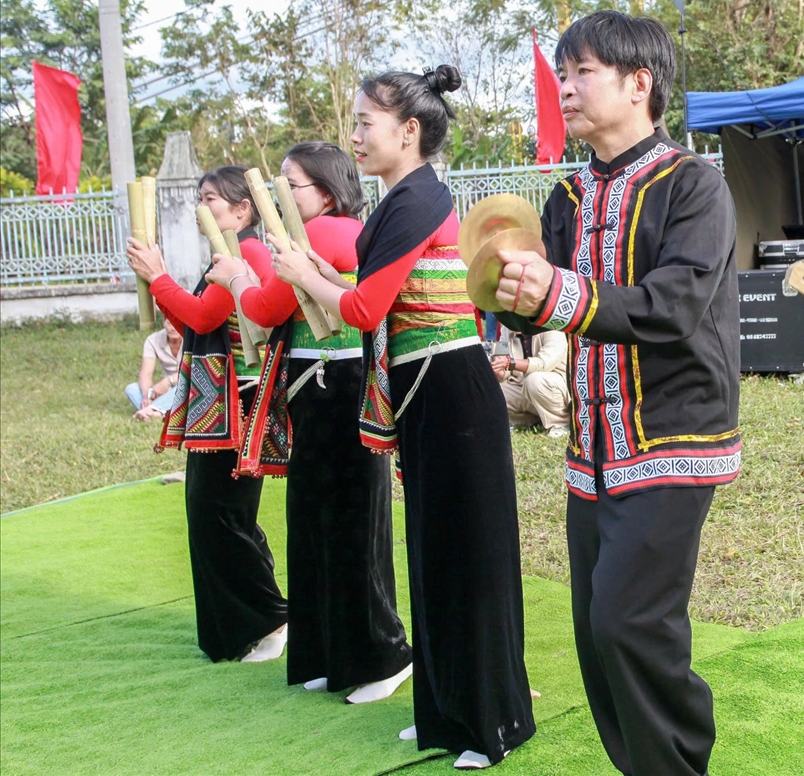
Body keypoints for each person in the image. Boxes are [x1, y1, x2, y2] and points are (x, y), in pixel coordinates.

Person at [493, 11, 740, 776]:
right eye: (563, 72)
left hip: (674, 438)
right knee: (597, 635)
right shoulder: (571, 195)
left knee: (631, 623)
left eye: (583, 71)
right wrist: (505, 282)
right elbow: (540, 300)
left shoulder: (694, 184)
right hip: (592, 449)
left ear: (641, 84)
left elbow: (672, 305)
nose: (565, 87)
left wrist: (557, 289)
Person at [272, 66, 533, 770]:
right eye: (354, 122)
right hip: (421, 390)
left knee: (470, 559)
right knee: (433, 554)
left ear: (409, 131)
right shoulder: (399, 201)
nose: (354, 135)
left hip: (453, 388)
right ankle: (445, 715)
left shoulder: (422, 198)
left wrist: (301, 273)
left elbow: (362, 308)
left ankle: (492, 721)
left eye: (366, 122)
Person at [208, 141, 412, 706]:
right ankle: (335, 654)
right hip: (320, 390)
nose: (280, 194)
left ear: (324, 191)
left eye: (289, 185)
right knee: (325, 525)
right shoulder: (334, 231)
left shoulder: (324, 233)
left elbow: (263, 311)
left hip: (335, 387)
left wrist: (232, 276)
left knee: (344, 526)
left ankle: (383, 655)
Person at [125, 166, 289, 665]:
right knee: (216, 515)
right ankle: (253, 621)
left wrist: (158, 277)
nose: (202, 208)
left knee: (223, 516)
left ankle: (270, 619)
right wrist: (159, 286)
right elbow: (194, 321)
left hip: (239, 406)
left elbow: (203, 317)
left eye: (212, 199)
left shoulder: (250, 251)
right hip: (218, 405)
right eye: (200, 197)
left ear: (243, 209)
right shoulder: (227, 252)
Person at [489, 326, 569, 437]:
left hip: (556, 385)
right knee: (494, 388)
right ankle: (528, 421)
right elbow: (503, 368)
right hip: (526, 385)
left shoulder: (551, 328)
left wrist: (508, 363)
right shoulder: (505, 329)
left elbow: (543, 364)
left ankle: (560, 423)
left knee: (534, 380)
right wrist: (497, 369)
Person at [125, 319, 182, 419]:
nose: (173, 328)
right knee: (131, 388)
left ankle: (152, 411)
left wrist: (168, 381)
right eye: (169, 323)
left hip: (186, 383)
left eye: (177, 324)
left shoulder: (194, 339)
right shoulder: (153, 339)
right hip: (166, 389)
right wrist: (147, 396)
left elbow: (193, 371)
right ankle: (155, 410)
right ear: (163, 323)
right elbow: (145, 374)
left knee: (184, 388)